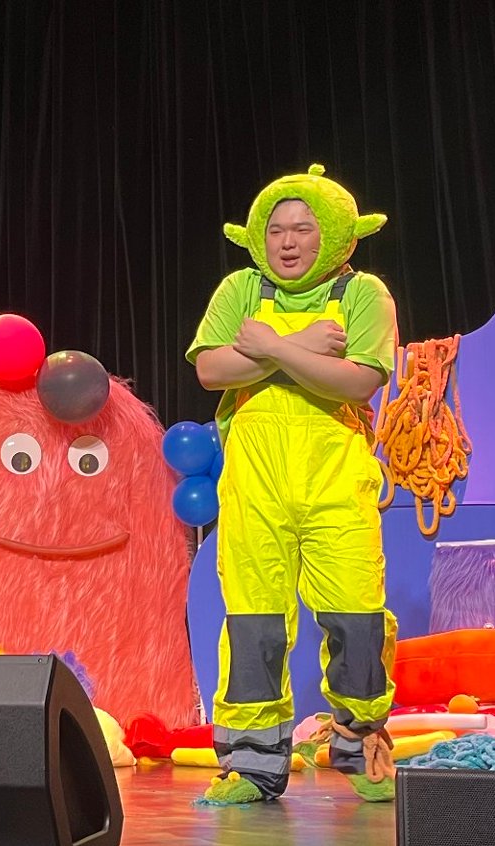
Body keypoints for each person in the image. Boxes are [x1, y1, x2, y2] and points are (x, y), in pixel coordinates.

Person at [187, 165, 400, 803]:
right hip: (255, 483)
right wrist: (304, 345)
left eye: (303, 229)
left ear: (335, 236)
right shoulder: (239, 289)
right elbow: (210, 369)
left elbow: (358, 381)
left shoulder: (364, 293)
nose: (287, 241)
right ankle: (253, 766)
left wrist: (272, 347)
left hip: (335, 479)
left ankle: (360, 747)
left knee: (357, 617)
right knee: (253, 625)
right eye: (275, 228)